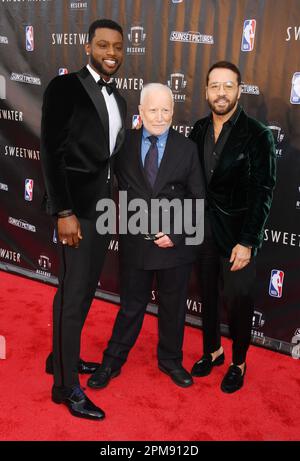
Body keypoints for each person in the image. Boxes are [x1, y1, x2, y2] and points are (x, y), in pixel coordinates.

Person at [87, 83, 205, 390]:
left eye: (166, 109)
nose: (160, 116)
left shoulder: (187, 148)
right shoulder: (124, 145)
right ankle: (112, 361)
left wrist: (177, 234)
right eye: (153, 109)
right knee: (130, 306)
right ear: (140, 112)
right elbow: (105, 182)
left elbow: (197, 199)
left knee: (173, 307)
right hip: (136, 245)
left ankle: (171, 361)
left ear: (173, 111)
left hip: (173, 248)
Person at [40, 19, 126, 420]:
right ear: (88, 47)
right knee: (72, 296)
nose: (111, 53)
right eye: (103, 45)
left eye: (118, 48)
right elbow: (51, 153)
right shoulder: (65, 88)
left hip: (103, 211)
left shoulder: (120, 99)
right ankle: (65, 387)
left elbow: (111, 161)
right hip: (75, 212)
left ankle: (62, 357)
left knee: (87, 289)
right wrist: (64, 211)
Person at [189, 61, 276, 393]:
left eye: (228, 86)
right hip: (202, 230)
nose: (221, 93)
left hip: (238, 234)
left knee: (238, 298)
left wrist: (248, 240)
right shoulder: (197, 129)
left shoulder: (257, 134)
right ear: (206, 91)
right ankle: (213, 350)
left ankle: (238, 361)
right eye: (215, 86)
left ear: (239, 90)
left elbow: (262, 191)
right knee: (207, 293)